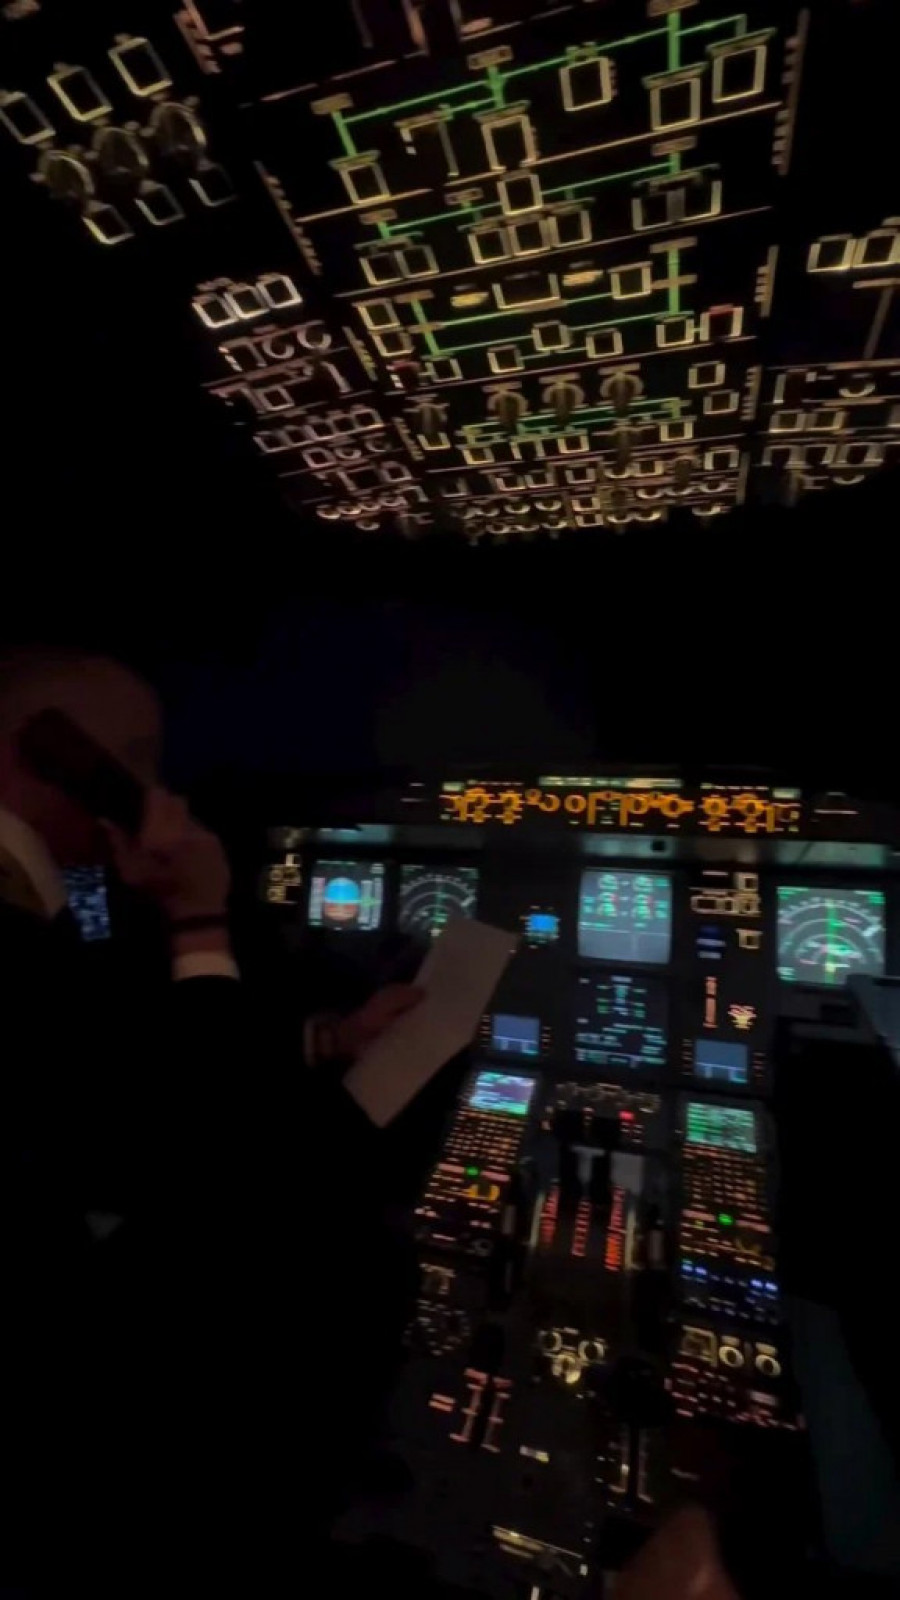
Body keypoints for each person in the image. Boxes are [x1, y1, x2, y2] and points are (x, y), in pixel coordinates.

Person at [0, 646, 419, 1594]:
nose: (157, 793)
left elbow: (109, 1077)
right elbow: (197, 1153)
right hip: (48, 1387)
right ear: (54, 753)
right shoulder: (14, 927)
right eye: (136, 763)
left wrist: (324, 1038)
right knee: (332, 1255)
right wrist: (198, 917)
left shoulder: (33, 907)